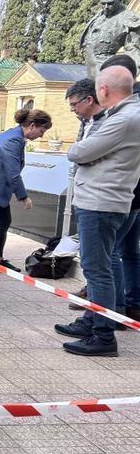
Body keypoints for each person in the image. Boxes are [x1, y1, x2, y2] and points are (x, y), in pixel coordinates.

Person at [54, 65, 140, 357]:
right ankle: (93, 319)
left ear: (102, 91)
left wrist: (83, 154)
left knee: (98, 269)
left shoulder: (124, 119)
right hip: (102, 201)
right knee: (98, 266)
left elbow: (79, 153)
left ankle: (103, 335)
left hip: (102, 203)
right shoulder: (122, 116)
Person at [0, 109, 51, 272]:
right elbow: (12, 172)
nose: (41, 136)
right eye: (41, 131)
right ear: (32, 125)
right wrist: (23, 197)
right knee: (3, 221)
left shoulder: (13, 135)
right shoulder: (14, 139)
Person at [101, 56, 140, 324]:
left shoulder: (127, 109)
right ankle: (131, 304)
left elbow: (87, 152)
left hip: (124, 193)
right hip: (134, 194)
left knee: (111, 252)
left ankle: (111, 313)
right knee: (129, 251)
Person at [64, 78, 106, 305]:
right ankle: (99, 313)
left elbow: (80, 154)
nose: (72, 110)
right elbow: (78, 152)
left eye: (74, 105)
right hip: (87, 195)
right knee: (96, 262)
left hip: (98, 200)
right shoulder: (86, 122)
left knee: (98, 263)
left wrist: (77, 153)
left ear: (89, 99)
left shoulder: (110, 122)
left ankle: (100, 323)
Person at [79, 0, 140, 77]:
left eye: (110, 3)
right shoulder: (98, 17)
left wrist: (128, 76)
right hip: (89, 67)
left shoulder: (129, 19)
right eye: (103, 3)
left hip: (107, 69)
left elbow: (133, 50)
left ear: (119, 0)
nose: (106, 7)